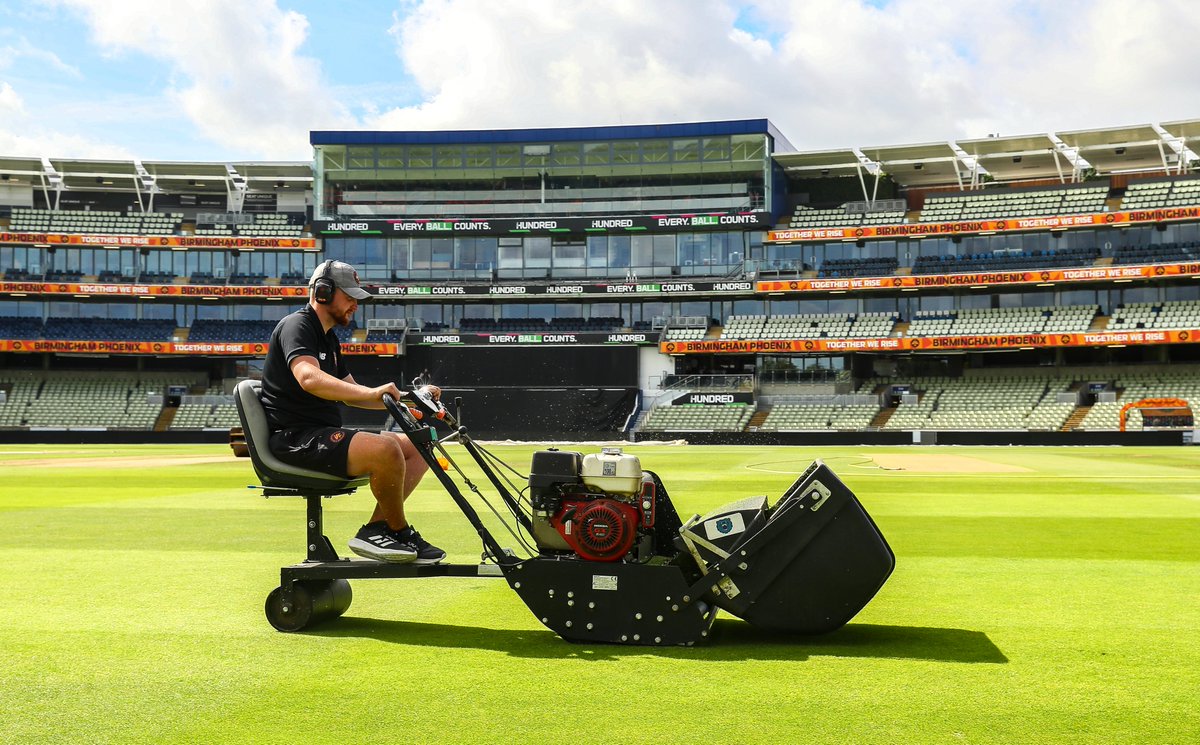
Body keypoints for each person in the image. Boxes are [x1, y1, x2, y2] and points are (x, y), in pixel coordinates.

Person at [259, 259, 446, 564]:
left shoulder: (329, 339)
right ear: (322, 293)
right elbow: (308, 377)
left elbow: (356, 395)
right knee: (385, 449)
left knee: (418, 444)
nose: (355, 305)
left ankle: (378, 527)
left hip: (318, 437)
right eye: (349, 297)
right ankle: (397, 531)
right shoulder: (298, 326)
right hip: (295, 439)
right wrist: (374, 392)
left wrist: (411, 400)